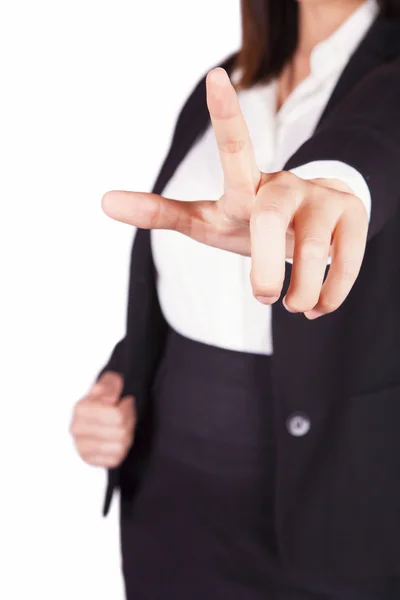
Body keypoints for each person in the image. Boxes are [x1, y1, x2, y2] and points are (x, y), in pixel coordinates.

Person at [70, 0, 400, 598]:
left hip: (340, 524)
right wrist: (119, 383)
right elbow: (184, 286)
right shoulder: (229, 83)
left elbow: (380, 133)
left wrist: (338, 180)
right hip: (169, 508)